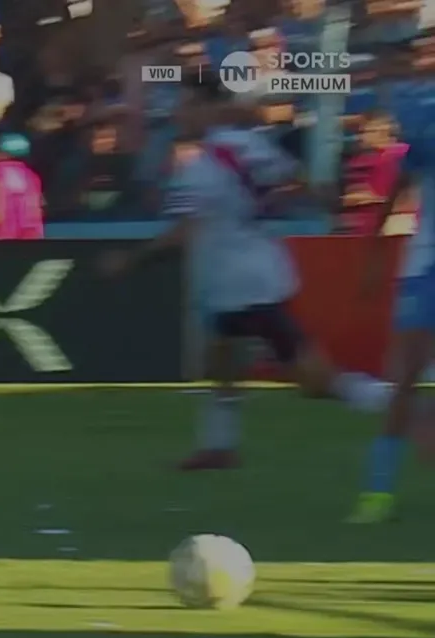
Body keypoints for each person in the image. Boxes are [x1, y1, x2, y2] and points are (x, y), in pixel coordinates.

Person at [103, 71, 392, 471]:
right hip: (241, 276)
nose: (179, 114)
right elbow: (291, 177)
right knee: (220, 358)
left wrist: (131, 260)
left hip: (245, 284)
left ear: (209, 107)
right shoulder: (241, 146)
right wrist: (311, 197)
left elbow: (184, 232)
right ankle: (220, 447)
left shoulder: (205, 165)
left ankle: (395, 400)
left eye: (186, 106)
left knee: (312, 378)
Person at [348, 96, 435, 523]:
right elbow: (398, 189)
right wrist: (376, 256)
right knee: (404, 378)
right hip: (426, 266)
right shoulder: (428, 123)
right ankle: (377, 493)